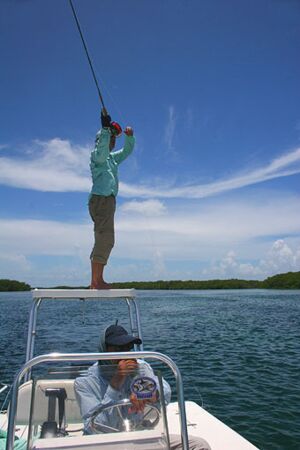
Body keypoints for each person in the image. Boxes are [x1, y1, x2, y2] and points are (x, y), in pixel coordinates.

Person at [74, 324, 211, 450]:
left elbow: (165, 392)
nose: (126, 354)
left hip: (139, 437)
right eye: (119, 349)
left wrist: (147, 392)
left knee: (199, 446)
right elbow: (92, 428)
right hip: (104, 443)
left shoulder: (141, 367)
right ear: (104, 349)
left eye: (128, 348)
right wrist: (116, 381)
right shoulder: (84, 383)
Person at [89, 109, 135, 289]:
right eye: (111, 138)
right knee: (104, 238)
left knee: (106, 239)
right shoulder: (97, 156)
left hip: (107, 202)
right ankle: (95, 281)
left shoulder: (112, 159)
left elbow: (127, 151)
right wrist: (106, 130)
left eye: (115, 138)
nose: (113, 141)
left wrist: (129, 137)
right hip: (101, 200)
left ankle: (97, 280)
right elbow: (101, 148)